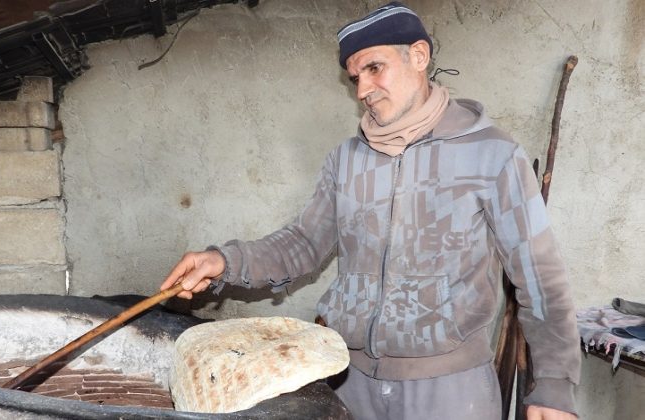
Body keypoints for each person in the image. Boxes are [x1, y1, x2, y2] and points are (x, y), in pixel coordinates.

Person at [160, 2, 580, 419]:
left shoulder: (492, 155)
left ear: (418, 56)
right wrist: (224, 261)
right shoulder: (346, 160)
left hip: (451, 391)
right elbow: (303, 244)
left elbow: (540, 278)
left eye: (375, 68)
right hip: (349, 380)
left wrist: (555, 385)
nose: (362, 90)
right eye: (355, 77)